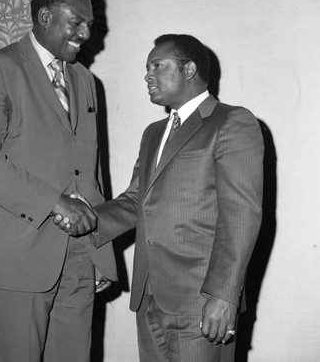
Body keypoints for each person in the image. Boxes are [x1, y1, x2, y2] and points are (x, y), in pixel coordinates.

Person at [61, 33, 264, 361]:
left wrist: (224, 297)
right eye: (146, 68)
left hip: (200, 299)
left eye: (158, 65)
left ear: (189, 69)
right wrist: (88, 217)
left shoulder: (231, 122)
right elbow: (137, 200)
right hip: (149, 297)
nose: (147, 75)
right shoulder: (153, 133)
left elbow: (242, 215)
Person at [0, 0, 117, 362]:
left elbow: (88, 170)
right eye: (75, 22)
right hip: (18, 258)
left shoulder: (86, 80)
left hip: (79, 258)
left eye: (90, 26)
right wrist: (55, 203)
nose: (85, 34)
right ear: (45, 16)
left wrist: (98, 251)